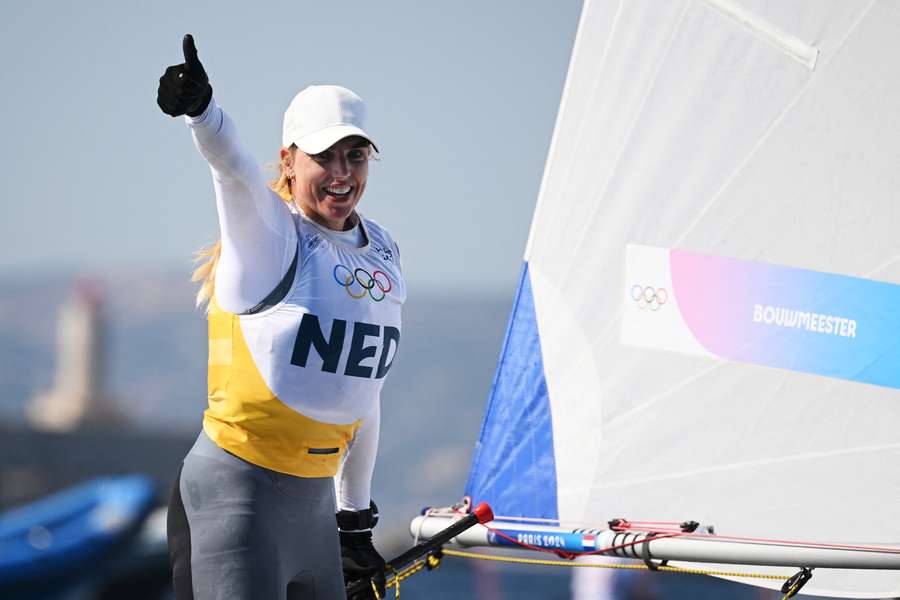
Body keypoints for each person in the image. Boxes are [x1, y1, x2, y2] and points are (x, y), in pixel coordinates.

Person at [157, 34, 404, 600]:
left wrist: (354, 520)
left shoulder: (383, 250)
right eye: (324, 156)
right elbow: (233, 169)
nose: (341, 173)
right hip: (234, 503)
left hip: (316, 510)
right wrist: (202, 113)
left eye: (355, 154)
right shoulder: (267, 234)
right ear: (289, 161)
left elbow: (364, 394)